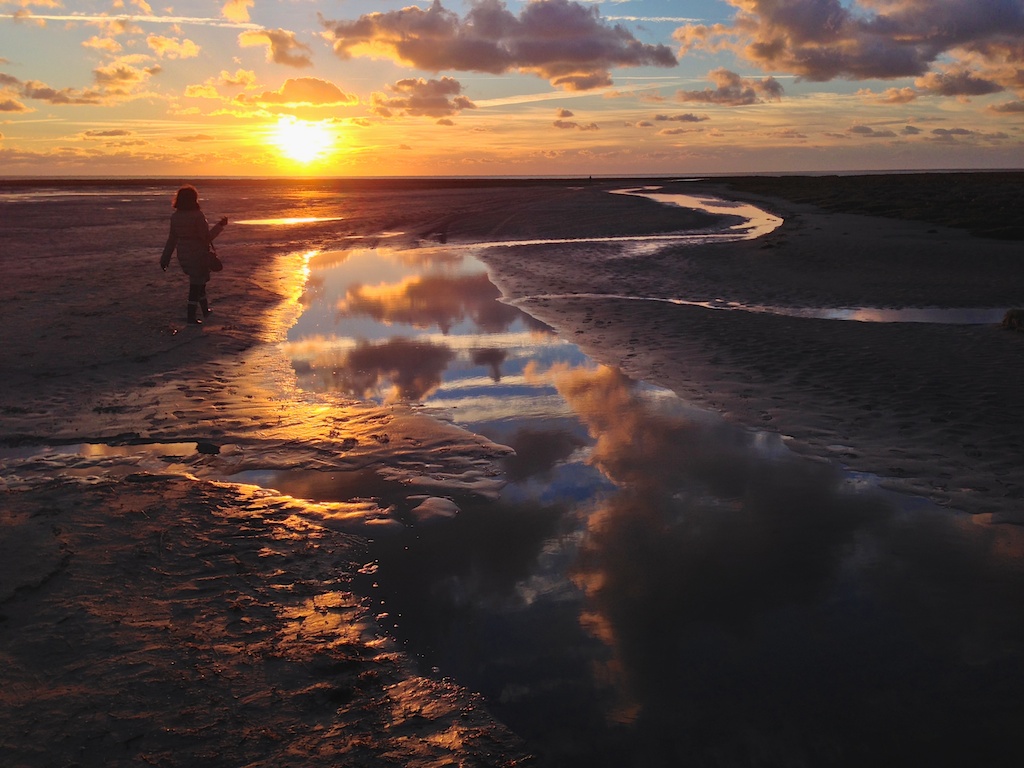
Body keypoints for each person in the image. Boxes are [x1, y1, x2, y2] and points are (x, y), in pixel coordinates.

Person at [160, 185, 228, 325]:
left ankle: (205, 311)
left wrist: (165, 258)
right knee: (196, 285)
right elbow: (206, 237)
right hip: (197, 254)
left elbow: (172, 239)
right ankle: (191, 318)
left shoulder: (175, 216)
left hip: (183, 253)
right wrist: (220, 225)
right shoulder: (197, 215)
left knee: (199, 282)